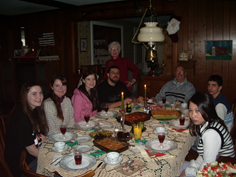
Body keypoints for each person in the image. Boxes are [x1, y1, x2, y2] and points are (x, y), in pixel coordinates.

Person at [180, 92, 235, 177]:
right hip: (214, 168)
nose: (193, 115)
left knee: (175, 170)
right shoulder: (209, 123)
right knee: (178, 167)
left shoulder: (211, 133)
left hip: (221, 172)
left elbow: (208, 168)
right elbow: (202, 155)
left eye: (197, 111)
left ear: (207, 109)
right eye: (190, 110)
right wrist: (192, 167)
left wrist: (188, 172)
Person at [4, 81, 48, 177]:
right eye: (34, 94)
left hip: (34, 156)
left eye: (41, 93)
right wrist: (50, 158)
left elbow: (43, 138)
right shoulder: (20, 118)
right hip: (24, 164)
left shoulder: (35, 110)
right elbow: (32, 151)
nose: (39, 97)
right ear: (25, 96)